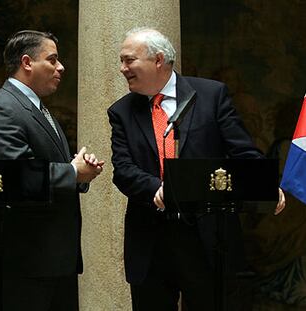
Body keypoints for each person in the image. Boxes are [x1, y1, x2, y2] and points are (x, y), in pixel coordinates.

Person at [107, 27, 285, 311]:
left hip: (208, 237)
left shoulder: (211, 95)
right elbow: (123, 170)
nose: (122, 68)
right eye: (122, 61)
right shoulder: (121, 111)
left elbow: (242, 151)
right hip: (152, 240)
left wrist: (263, 184)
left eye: (129, 60)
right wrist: (156, 188)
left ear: (158, 60)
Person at [0, 30, 104, 311]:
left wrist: (80, 171)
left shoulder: (36, 108)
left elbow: (44, 165)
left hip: (54, 257)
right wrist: (72, 172)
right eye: (53, 60)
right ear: (27, 62)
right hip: (24, 259)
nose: (61, 67)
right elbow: (19, 176)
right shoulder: (2, 109)